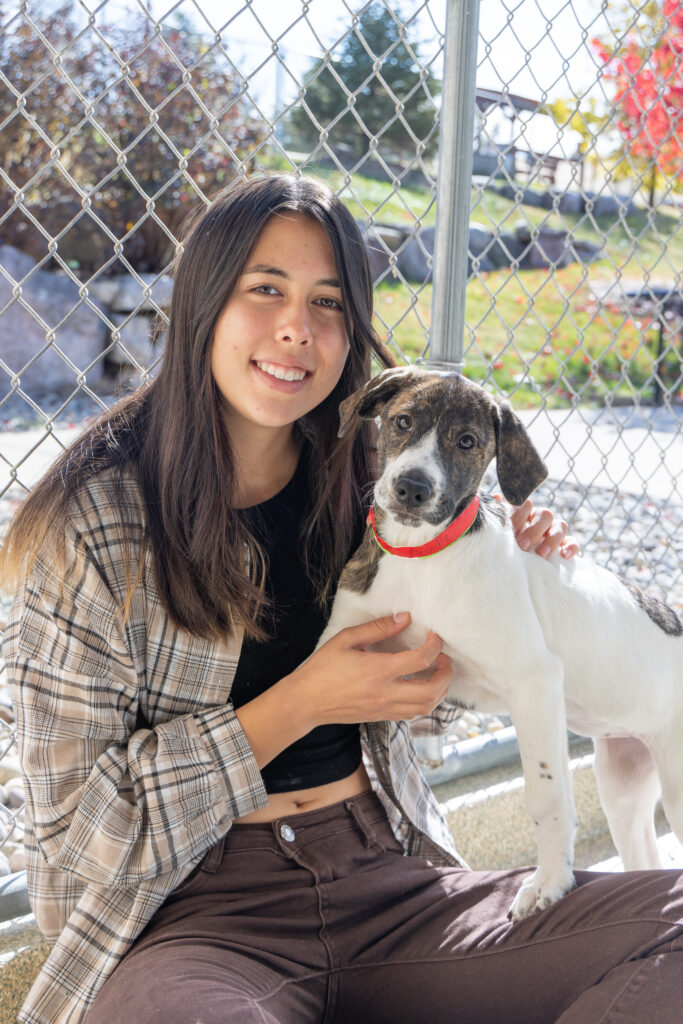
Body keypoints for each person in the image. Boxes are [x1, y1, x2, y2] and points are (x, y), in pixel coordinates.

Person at [2, 173, 681, 1024]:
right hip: (197, 922)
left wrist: (514, 592)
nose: (297, 326)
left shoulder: (377, 485)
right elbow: (71, 837)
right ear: (205, 300)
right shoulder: (93, 524)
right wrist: (295, 706)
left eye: (328, 302)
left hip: (390, 881)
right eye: (265, 290)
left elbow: (425, 706)